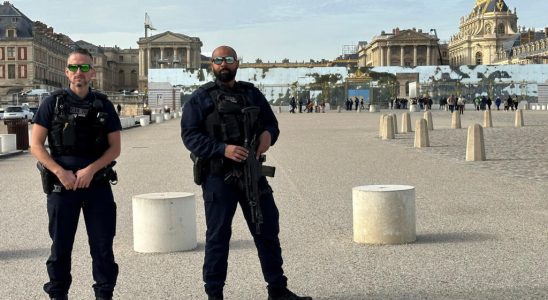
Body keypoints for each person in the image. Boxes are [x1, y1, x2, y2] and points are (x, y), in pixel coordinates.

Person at [181, 45, 311, 300]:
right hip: (218, 176)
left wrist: (267, 136)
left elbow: (271, 123)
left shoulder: (251, 94)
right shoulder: (201, 98)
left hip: (252, 172)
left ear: (237, 63)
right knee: (218, 236)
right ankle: (214, 294)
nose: (224, 64)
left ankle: (277, 289)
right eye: (218, 60)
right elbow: (189, 135)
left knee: (267, 230)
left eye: (228, 59)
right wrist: (222, 149)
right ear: (212, 65)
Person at [30, 48, 122, 300]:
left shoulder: (103, 104)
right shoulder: (52, 103)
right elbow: (36, 145)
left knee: (102, 248)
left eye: (83, 67)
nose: (78, 72)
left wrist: (90, 170)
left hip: (97, 183)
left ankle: (104, 295)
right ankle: (58, 295)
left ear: (92, 71)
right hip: (63, 186)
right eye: (73, 67)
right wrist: (60, 172)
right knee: (60, 248)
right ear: (66, 71)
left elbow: (115, 148)